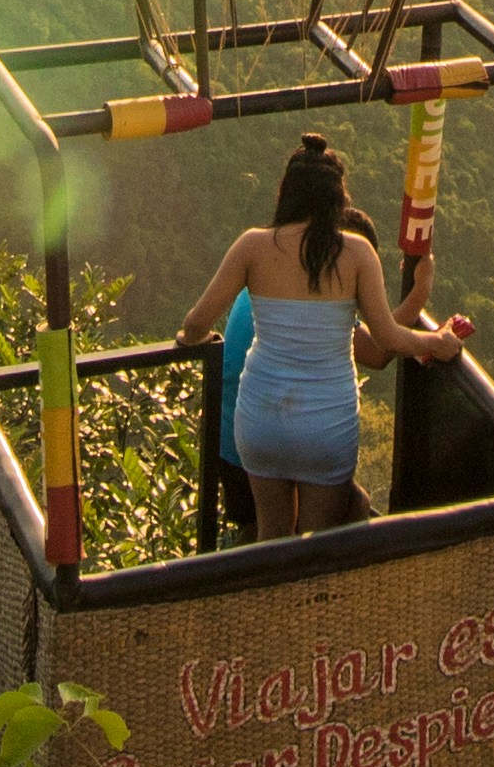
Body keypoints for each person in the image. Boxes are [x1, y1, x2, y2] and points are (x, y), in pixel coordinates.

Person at [176, 134, 475, 539]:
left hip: (261, 416)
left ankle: (269, 601)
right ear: (338, 200)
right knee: (317, 548)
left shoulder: (252, 246)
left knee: (271, 541)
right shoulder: (356, 254)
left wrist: (192, 342)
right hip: (325, 423)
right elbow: (386, 336)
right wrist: (436, 342)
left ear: (287, 193)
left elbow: (196, 323)